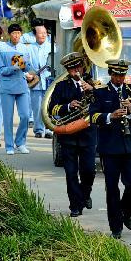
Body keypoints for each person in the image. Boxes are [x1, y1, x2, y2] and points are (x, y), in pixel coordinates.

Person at [91, 59, 131, 238]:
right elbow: (92, 116)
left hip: (130, 146)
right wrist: (109, 116)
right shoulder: (100, 92)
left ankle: (125, 213)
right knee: (112, 187)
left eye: (122, 75)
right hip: (110, 147)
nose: (119, 78)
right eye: (116, 75)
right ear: (110, 74)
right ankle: (116, 227)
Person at [48, 52, 97, 216]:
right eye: (71, 68)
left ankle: (85, 194)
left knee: (88, 171)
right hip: (68, 135)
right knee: (70, 173)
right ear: (68, 70)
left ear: (82, 67)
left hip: (88, 134)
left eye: (78, 67)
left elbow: (106, 104)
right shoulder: (61, 86)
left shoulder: (94, 83)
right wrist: (68, 106)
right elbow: (52, 108)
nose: (75, 71)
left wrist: (93, 91)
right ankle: (75, 206)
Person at [0, 23, 35, 155]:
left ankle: (20, 142)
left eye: (18, 33)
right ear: (9, 34)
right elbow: (1, 70)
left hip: (22, 85)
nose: (16, 36)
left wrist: (29, 71)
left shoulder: (24, 48)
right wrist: (13, 68)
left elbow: (28, 67)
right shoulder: (2, 48)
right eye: (14, 33)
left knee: (25, 116)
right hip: (7, 87)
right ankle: (9, 146)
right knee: (8, 118)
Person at [27, 25, 53, 139]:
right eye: (40, 33)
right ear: (35, 34)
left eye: (45, 33)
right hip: (36, 81)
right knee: (37, 107)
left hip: (48, 80)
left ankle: (49, 129)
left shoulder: (52, 47)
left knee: (49, 106)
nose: (43, 35)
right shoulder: (29, 48)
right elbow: (25, 64)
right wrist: (28, 74)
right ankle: (38, 129)